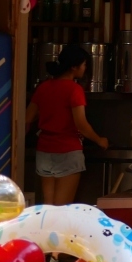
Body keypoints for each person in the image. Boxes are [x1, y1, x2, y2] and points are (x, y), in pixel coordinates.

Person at [26, 44, 108, 205]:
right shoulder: (74, 90)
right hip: (68, 151)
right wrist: (100, 140)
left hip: (44, 151)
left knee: (48, 206)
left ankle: (46, 230)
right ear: (73, 67)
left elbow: (27, 118)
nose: (85, 68)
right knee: (62, 208)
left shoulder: (43, 87)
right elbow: (81, 124)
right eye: (84, 65)